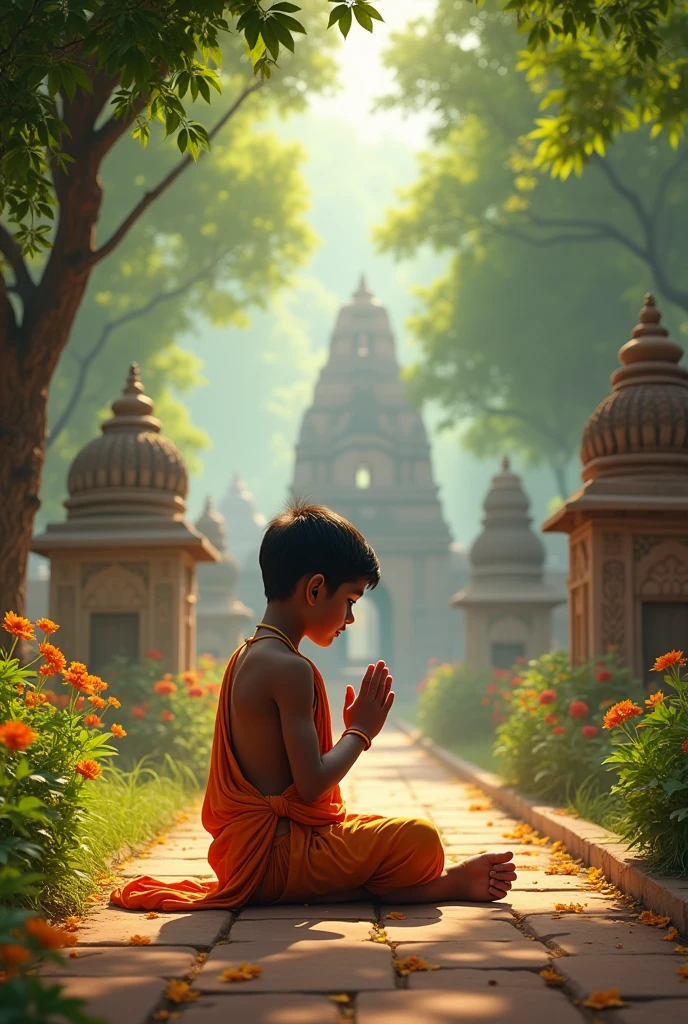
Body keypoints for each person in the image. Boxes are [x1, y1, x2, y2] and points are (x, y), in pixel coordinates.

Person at [111, 502, 516, 911]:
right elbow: (311, 785)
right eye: (351, 600)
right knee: (420, 838)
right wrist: (360, 732)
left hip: (247, 853)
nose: (352, 618)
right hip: (276, 858)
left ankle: (364, 888)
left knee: (373, 827)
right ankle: (441, 886)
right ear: (315, 589)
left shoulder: (246, 655)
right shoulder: (290, 668)